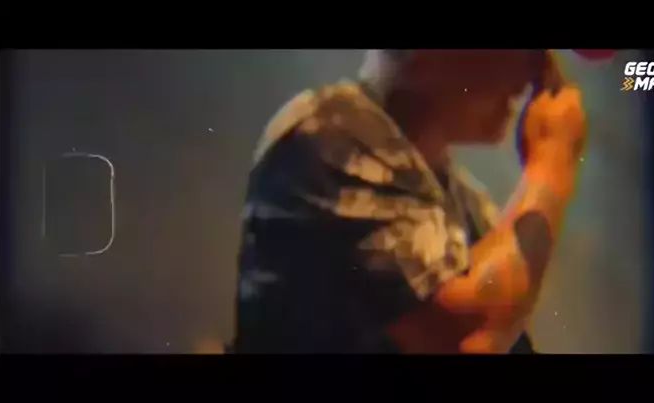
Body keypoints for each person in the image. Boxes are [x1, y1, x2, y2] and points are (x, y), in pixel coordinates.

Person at [228, 50, 586, 354]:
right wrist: (551, 163)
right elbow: (468, 337)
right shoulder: (329, 133)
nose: (534, 72)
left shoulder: (463, 202)